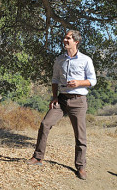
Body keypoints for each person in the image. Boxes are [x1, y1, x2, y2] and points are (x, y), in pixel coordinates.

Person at [26, 30, 97, 180]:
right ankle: (38, 157)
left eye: (68, 38)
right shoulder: (59, 60)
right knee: (45, 124)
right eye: (65, 37)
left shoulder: (85, 60)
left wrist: (79, 82)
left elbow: (93, 80)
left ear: (76, 42)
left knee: (80, 135)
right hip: (61, 99)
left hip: (78, 101)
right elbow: (55, 80)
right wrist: (54, 97)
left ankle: (81, 166)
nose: (64, 40)